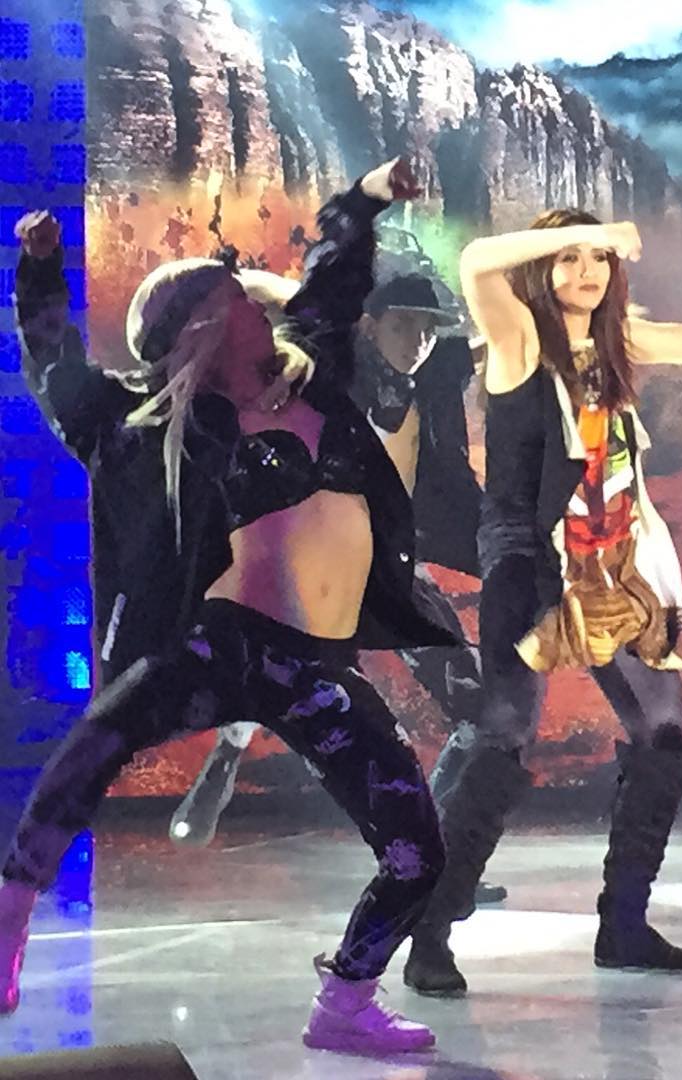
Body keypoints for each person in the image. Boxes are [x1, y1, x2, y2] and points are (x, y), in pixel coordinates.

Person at [0, 160, 455, 1057]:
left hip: (317, 665)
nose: (254, 302)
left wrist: (369, 196)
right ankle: (11, 911)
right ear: (205, 325)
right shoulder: (155, 425)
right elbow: (58, 373)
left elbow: (336, 270)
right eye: (233, 298)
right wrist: (40, 273)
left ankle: (346, 1001)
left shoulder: (314, 372)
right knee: (100, 740)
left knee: (417, 852)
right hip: (226, 644)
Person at [402, 209, 682, 996]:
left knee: (665, 731)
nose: (587, 271)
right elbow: (478, 259)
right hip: (529, 556)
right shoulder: (519, 339)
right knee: (506, 730)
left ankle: (624, 924)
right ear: (543, 269)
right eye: (569, 259)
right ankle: (430, 931)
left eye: (598, 259)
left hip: (615, 559)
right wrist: (581, 234)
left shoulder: (618, 343)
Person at [167, 270, 508, 900]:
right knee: (284, 663)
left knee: (479, 707)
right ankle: (231, 747)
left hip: (390, 570)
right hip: (311, 562)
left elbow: (454, 467)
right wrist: (227, 285)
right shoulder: (331, 368)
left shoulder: (434, 377)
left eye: (427, 330)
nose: (417, 341)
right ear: (370, 326)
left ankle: (433, 858)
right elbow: (291, 304)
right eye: (403, 326)